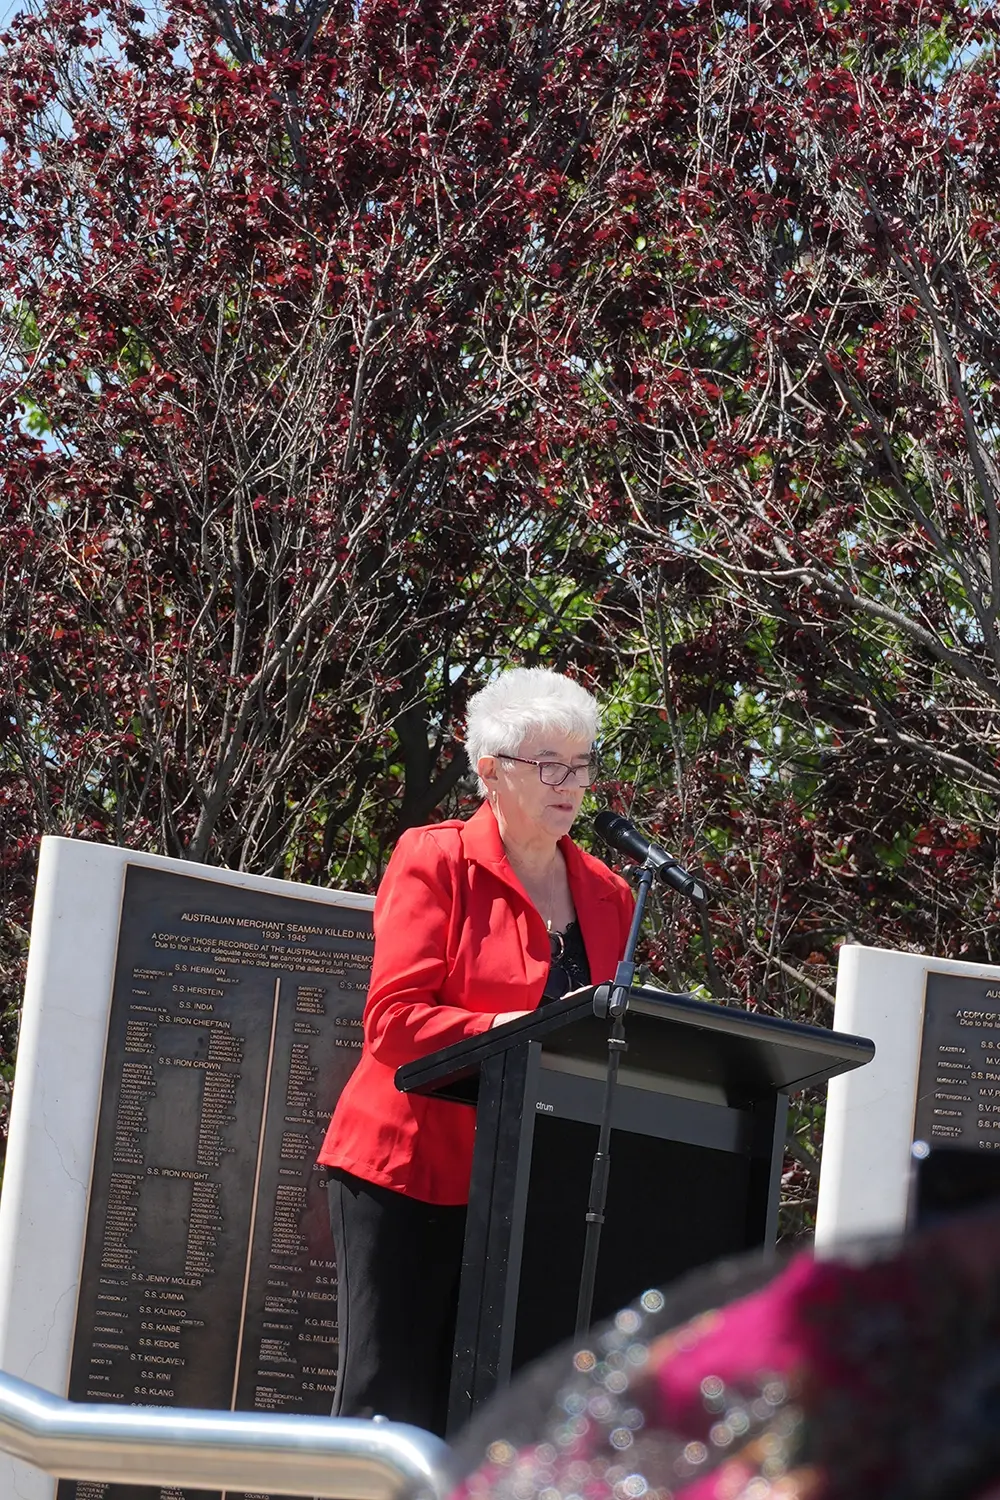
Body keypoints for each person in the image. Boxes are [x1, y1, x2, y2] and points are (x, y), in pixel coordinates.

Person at [317, 666, 635, 1435]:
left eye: (582, 765)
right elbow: (394, 1022)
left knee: (495, 1419)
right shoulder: (435, 860)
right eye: (549, 765)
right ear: (490, 771)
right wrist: (512, 1031)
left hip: (534, 1188)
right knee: (388, 1407)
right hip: (408, 1171)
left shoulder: (612, 895)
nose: (571, 784)